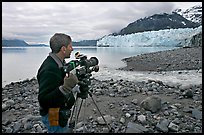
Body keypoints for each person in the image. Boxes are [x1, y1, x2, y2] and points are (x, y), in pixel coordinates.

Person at [37, 33, 79, 133]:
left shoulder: (58, 62)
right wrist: (66, 88)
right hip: (53, 114)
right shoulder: (49, 69)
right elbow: (43, 100)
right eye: (70, 46)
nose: (72, 49)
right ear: (63, 49)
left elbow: (58, 82)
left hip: (59, 110)